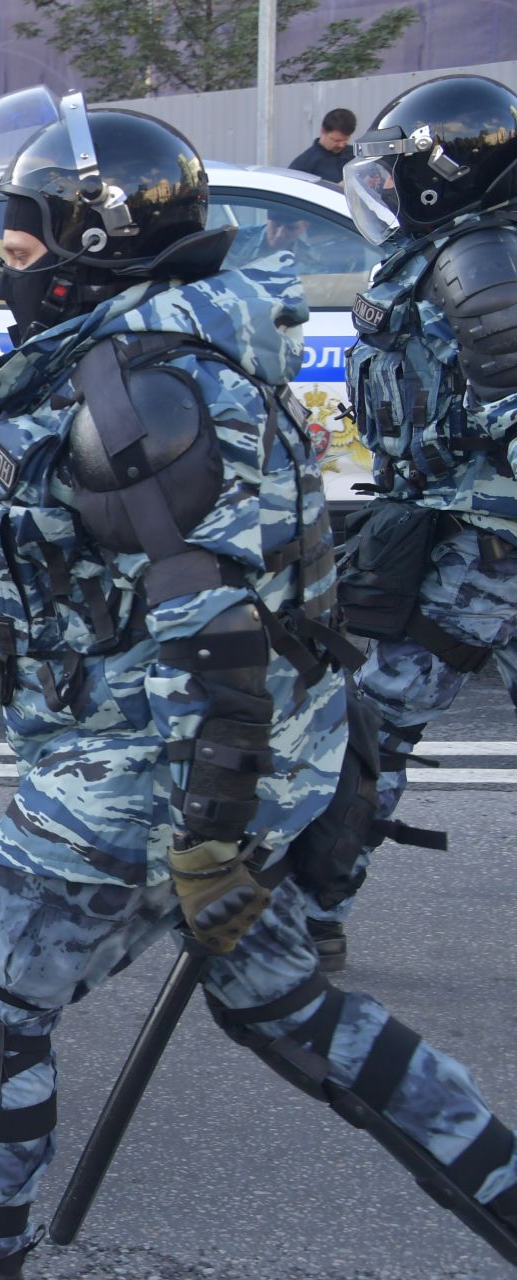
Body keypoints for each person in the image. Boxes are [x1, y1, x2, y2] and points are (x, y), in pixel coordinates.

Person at [0, 87, 517, 1278]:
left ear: (90, 252)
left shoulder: (143, 399)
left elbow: (217, 634)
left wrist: (210, 839)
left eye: (22, 255)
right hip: (240, 759)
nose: (7, 277)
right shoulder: (169, 351)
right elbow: (143, 579)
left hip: (145, 779)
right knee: (286, 1004)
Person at [304, 73, 517, 972]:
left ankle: (310, 914)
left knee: (372, 717)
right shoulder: (440, 253)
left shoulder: (482, 266)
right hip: (445, 523)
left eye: (400, 170)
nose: (384, 185)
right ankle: (312, 911)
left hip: (487, 544)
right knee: (366, 715)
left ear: (451, 172)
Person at [288, 106, 358, 184]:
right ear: (323, 131)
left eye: (346, 140)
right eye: (337, 140)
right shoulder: (303, 165)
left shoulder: (356, 156)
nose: (341, 145)